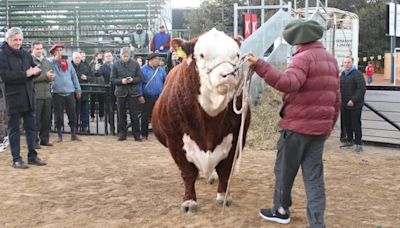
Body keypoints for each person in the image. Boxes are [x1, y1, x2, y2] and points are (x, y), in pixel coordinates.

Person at [247, 19, 340, 227]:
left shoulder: (302, 58)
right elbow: (336, 98)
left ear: (298, 41)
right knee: (314, 178)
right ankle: (317, 222)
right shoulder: (331, 60)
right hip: (318, 131)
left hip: (296, 128)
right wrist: (328, 127)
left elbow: (288, 83)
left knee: (284, 171)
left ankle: (280, 210)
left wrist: (260, 65)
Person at [0, 27, 47, 168]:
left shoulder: (26, 54)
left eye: (20, 40)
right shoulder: (2, 55)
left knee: (32, 128)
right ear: (8, 40)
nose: (18, 42)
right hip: (13, 97)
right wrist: (27, 74)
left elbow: (34, 68)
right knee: (14, 130)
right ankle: (16, 159)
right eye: (15, 40)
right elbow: (6, 77)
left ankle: (32, 156)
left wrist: (37, 71)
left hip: (28, 96)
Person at [49, 43, 82, 142]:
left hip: (70, 91)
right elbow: (49, 68)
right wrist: (56, 59)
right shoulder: (51, 62)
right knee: (58, 115)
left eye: (61, 50)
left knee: (72, 114)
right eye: (57, 50)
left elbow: (74, 76)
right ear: (54, 52)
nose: (60, 52)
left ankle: (73, 134)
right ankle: (59, 135)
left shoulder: (68, 62)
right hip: (57, 92)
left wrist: (78, 89)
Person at [111, 47, 142, 141]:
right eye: (124, 56)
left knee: (134, 115)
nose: (125, 57)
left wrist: (132, 80)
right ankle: (122, 134)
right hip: (120, 93)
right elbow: (112, 79)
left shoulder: (135, 64)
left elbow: (139, 78)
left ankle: (136, 135)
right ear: (120, 56)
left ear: (130, 55)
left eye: (127, 56)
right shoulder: (115, 65)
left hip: (133, 92)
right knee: (121, 115)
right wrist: (121, 81)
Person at [31, 41, 55, 148]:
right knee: (35, 121)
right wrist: (45, 76)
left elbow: (52, 73)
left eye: (41, 48)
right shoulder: (29, 61)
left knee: (46, 120)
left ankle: (44, 140)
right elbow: (30, 79)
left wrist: (51, 77)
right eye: (37, 48)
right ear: (32, 49)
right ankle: (34, 141)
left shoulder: (46, 61)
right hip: (36, 95)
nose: (39, 50)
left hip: (47, 95)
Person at [340, 56, 366, 153]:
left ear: (352, 63)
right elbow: (340, 87)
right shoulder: (343, 74)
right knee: (346, 123)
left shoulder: (358, 74)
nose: (346, 64)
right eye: (345, 62)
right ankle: (350, 140)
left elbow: (361, 89)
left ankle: (358, 143)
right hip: (344, 104)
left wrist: (353, 100)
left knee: (356, 123)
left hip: (356, 105)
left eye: (348, 62)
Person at [140, 53, 167, 140]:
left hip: (159, 97)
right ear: (150, 60)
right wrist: (140, 95)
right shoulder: (142, 70)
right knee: (145, 116)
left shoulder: (161, 70)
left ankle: (161, 135)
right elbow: (139, 84)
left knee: (160, 116)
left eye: (158, 59)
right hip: (147, 96)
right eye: (156, 59)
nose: (157, 61)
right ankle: (144, 135)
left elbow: (165, 81)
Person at [71, 52, 93, 132]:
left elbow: (92, 77)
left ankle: (85, 126)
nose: (77, 59)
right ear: (73, 58)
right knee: (74, 110)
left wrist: (86, 77)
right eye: (76, 58)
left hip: (84, 91)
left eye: (79, 58)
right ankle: (74, 126)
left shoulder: (86, 66)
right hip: (72, 92)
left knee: (85, 110)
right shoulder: (69, 66)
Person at [97, 51, 115, 134]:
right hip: (108, 91)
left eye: (110, 56)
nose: (108, 57)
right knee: (109, 110)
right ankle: (111, 128)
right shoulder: (103, 66)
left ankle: (121, 127)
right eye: (106, 56)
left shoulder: (117, 65)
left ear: (112, 57)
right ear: (104, 58)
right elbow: (97, 74)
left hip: (118, 90)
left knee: (119, 110)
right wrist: (97, 68)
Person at [90, 52, 105, 122]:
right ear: (95, 56)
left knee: (101, 102)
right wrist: (95, 67)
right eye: (99, 56)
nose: (100, 58)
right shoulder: (91, 64)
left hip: (101, 86)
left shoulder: (103, 64)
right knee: (92, 102)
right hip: (93, 85)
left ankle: (101, 116)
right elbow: (90, 73)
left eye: (101, 56)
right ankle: (92, 116)